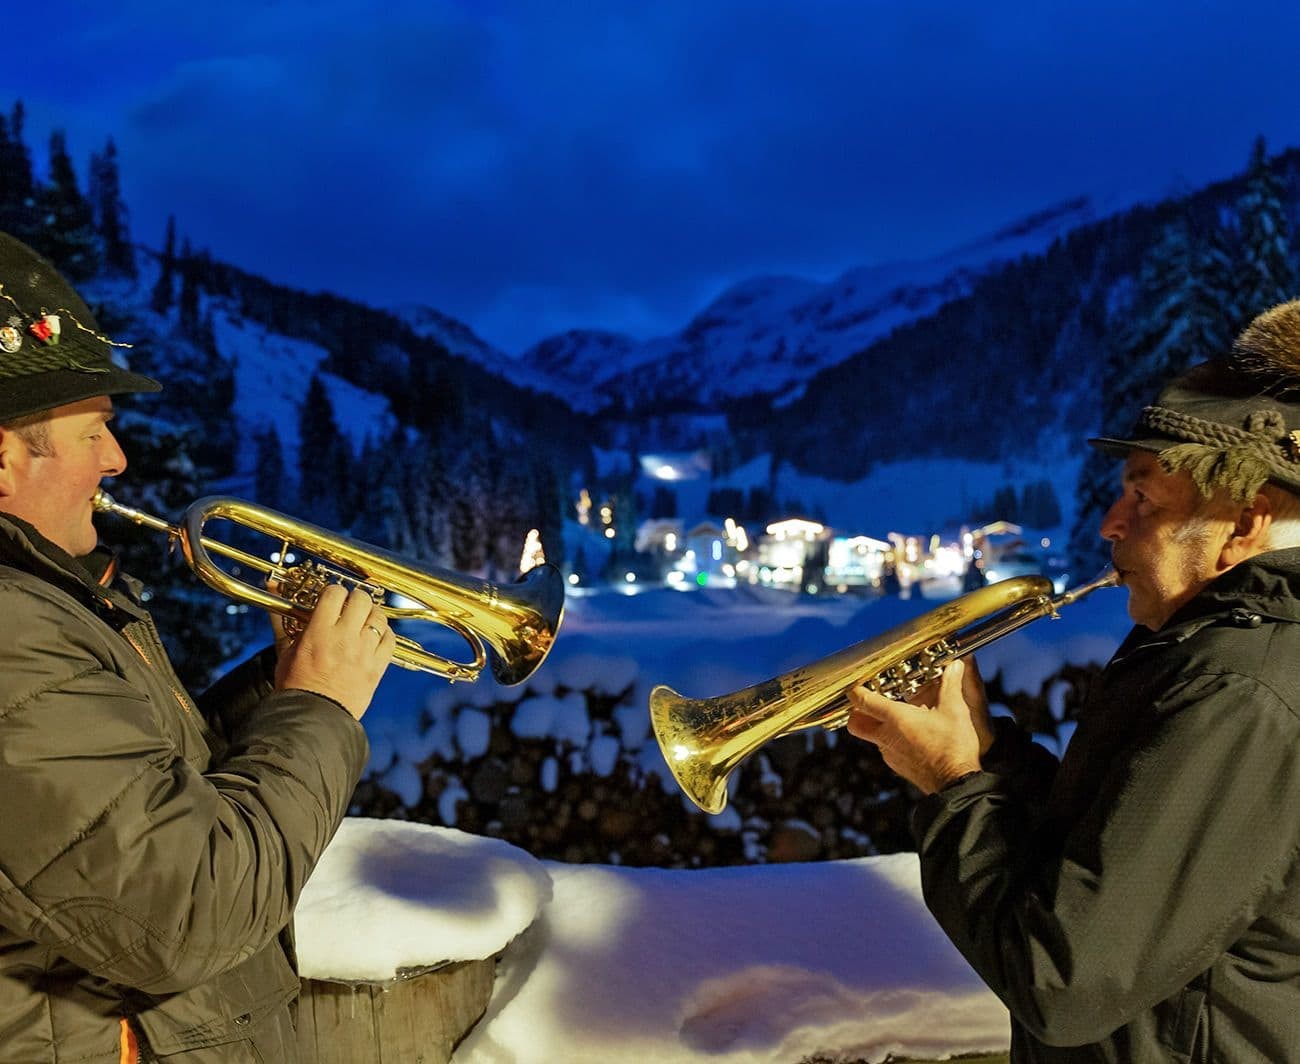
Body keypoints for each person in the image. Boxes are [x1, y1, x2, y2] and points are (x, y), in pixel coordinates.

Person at [847, 299, 1300, 1060]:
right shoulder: (1216, 653)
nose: (1110, 524)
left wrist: (951, 783)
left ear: (1246, 523)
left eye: (1144, 496)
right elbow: (1102, 870)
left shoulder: (1239, 690)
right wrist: (991, 757)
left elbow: (1061, 979)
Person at [0, 231, 396, 1062]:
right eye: (92, 434)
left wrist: (284, 684)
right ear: (4, 457)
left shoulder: (42, 602)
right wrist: (320, 709)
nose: (119, 458)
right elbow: (189, 908)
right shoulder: (12, 630)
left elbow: (138, 797)